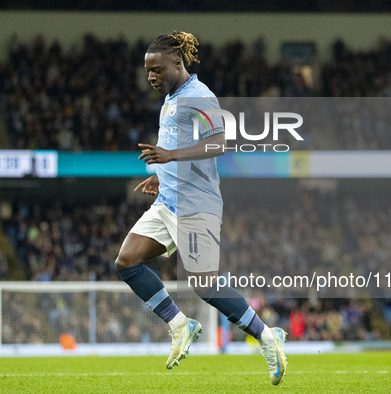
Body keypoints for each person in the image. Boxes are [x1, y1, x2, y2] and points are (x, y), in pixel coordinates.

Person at [115, 31, 287, 385]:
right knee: (127, 261)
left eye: (157, 69)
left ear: (177, 63)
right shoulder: (171, 98)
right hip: (168, 200)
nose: (151, 76)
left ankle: (267, 338)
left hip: (197, 205)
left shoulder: (198, 95)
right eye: (148, 70)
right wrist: (163, 176)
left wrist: (171, 156)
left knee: (203, 284)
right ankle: (180, 325)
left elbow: (221, 142)